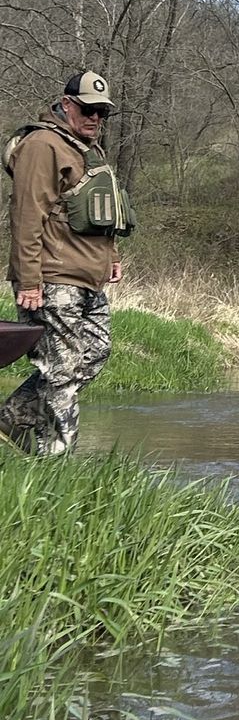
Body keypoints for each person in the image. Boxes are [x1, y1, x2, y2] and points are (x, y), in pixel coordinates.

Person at [0, 70, 132, 455]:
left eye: (102, 113)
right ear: (67, 103)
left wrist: (111, 257)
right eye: (88, 109)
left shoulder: (85, 148)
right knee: (61, 372)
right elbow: (27, 216)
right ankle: (55, 465)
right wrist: (28, 281)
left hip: (88, 278)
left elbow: (98, 213)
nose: (95, 119)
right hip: (53, 277)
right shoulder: (43, 144)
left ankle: (13, 416)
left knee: (94, 353)